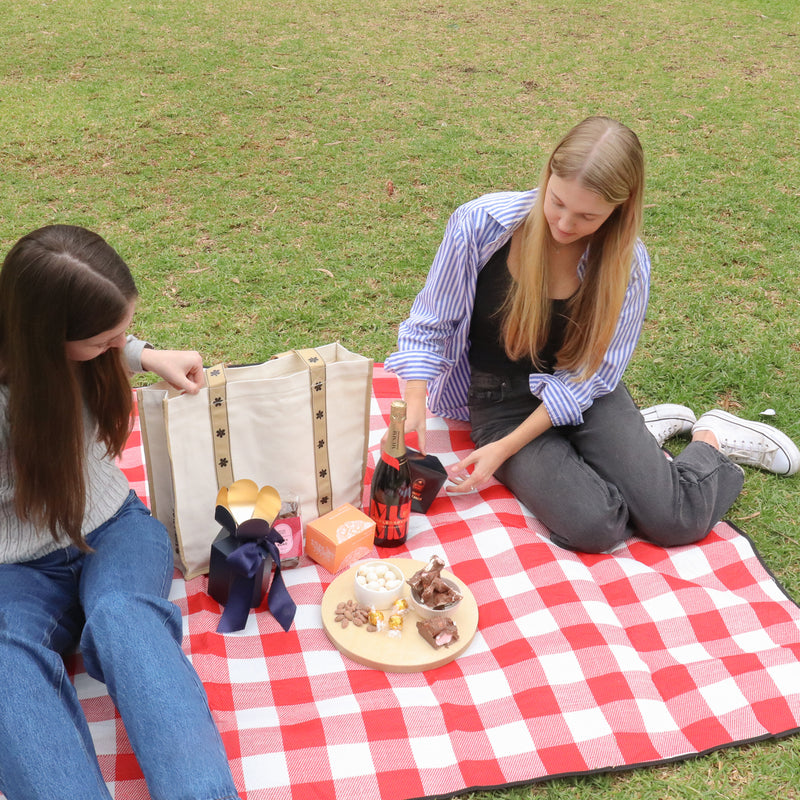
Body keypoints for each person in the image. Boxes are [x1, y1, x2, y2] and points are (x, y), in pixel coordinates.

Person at [385, 116, 800, 553]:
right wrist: (415, 404)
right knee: (595, 527)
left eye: (587, 216)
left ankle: (710, 437)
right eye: (557, 201)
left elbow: (592, 375)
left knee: (674, 521)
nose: (564, 223)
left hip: (586, 393)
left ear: (619, 208)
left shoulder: (628, 264)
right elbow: (431, 322)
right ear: (547, 176)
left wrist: (506, 451)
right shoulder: (480, 224)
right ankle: (640, 442)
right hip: (500, 402)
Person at [0, 225, 240, 800]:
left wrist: (146, 354)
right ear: (43, 339)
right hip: (13, 567)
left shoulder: (74, 347)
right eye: (106, 341)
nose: (118, 347)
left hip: (113, 527)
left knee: (124, 616)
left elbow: (107, 339)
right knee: (6, 661)